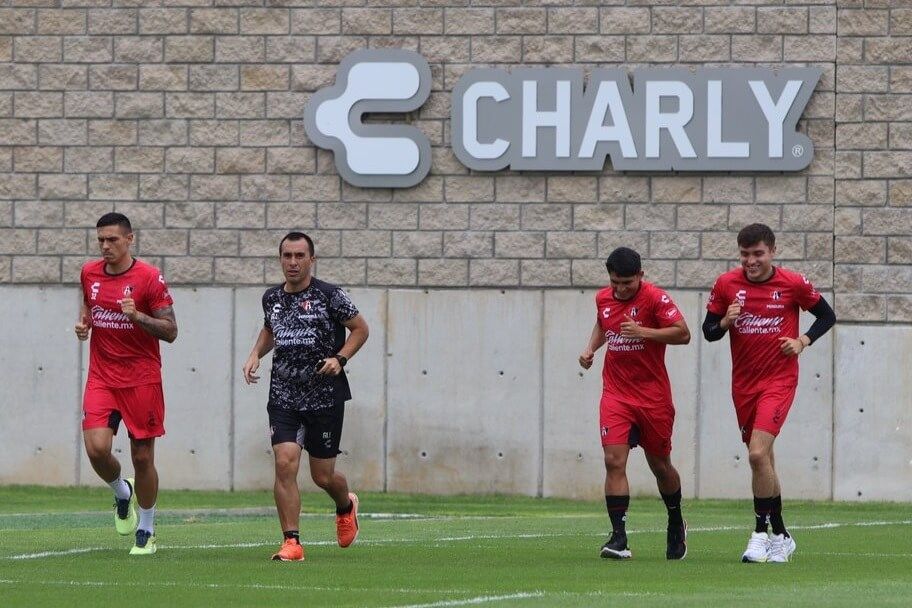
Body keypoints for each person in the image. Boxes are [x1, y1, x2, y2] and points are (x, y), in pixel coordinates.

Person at [702, 223, 836, 564]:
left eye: (758, 254)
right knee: (765, 462)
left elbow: (826, 315)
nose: (751, 261)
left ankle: (760, 534)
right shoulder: (726, 284)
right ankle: (782, 535)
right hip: (743, 385)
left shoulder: (792, 283)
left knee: (757, 455)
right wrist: (725, 322)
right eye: (745, 254)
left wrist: (802, 341)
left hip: (778, 382)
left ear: (772, 251)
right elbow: (708, 332)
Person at [242, 232, 369, 562]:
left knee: (322, 476)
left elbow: (360, 329)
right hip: (283, 397)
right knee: (284, 463)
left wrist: (340, 359)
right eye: (287, 256)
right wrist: (256, 352)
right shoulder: (271, 298)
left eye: (300, 256)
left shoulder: (330, 295)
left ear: (311, 260)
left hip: (324, 398)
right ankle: (292, 542)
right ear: (280, 259)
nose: (293, 262)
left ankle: (345, 506)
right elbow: (271, 329)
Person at [579, 247, 691, 560]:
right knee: (614, 461)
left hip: (653, 397)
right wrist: (590, 349)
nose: (620, 289)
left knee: (660, 465)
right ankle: (618, 538)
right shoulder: (603, 299)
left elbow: (683, 334)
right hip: (616, 394)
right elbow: (604, 324)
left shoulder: (656, 299)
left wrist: (642, 331)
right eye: (615, 282)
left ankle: (675, 520)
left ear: (640, 276)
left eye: (627, 282)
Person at [76, 212, 178, 556]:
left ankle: (147, 528)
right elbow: (89, 306)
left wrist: (137, 317)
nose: (106, 246)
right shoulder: (89, 272)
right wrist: (84, 323)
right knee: (96, 449)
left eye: (113, 240)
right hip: (102, 376)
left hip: (141, 379)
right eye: (101, 239)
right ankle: (122, 492)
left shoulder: (149, 278)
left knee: (143, 456)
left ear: (129, 239)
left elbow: (171, 331)